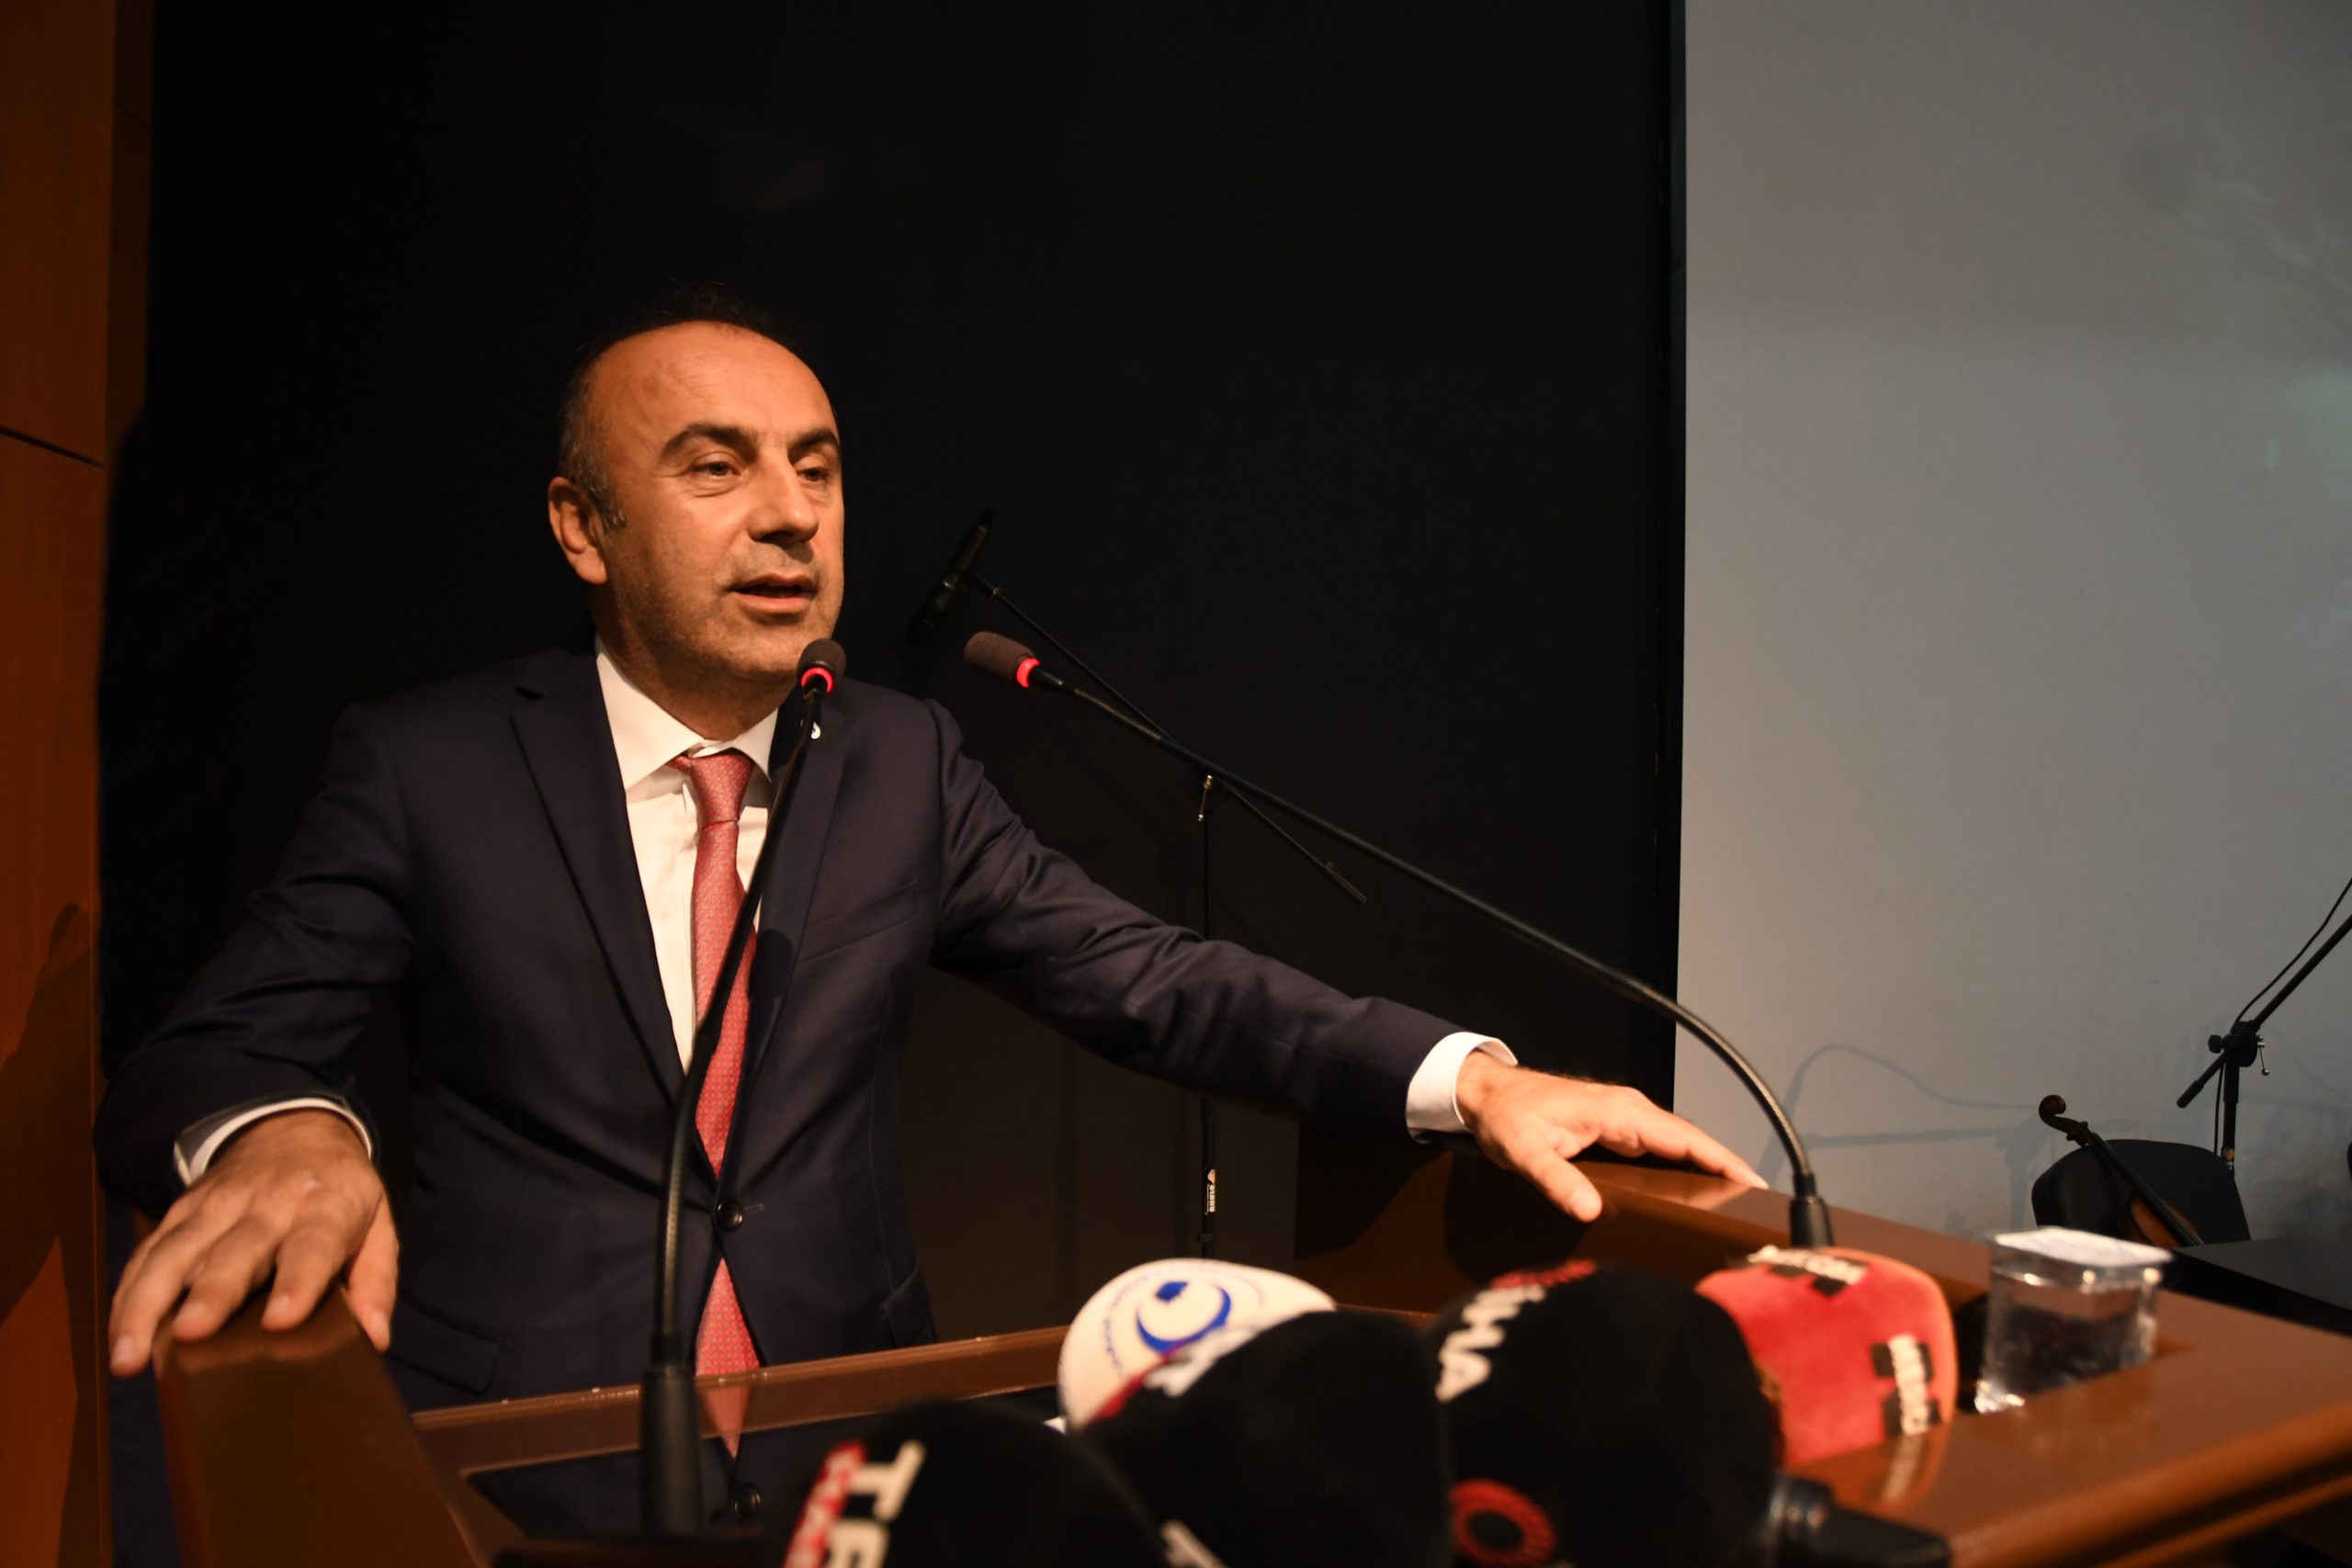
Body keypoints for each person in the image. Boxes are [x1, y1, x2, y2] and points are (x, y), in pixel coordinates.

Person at [95, 293, 1760, 1513]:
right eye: (715, 467)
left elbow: (1148, 976)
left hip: (853, 1460)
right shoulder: (430, 764)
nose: (789, 513)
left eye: (816, 468)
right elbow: (208, 1047)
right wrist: (286, 1130)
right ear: (582, 528)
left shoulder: (897, 758)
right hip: (520, 1464)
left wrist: (1470, 1077)